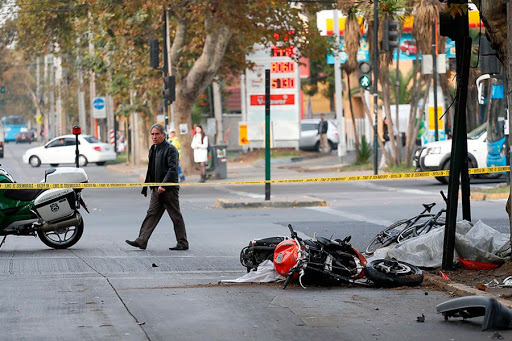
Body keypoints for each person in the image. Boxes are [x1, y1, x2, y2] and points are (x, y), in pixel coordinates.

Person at [126, 123, 189, 251]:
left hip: (168, 189)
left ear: (163, 135)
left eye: (157, 134)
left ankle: (182, 242)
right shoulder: (153, 149)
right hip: (156, 189)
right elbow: (151, 169)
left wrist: (163, 185)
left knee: (175, 215)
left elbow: (172, 169)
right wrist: (147, 186)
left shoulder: (170, 149)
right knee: (151, 214)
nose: (154, 137)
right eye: (152, 134)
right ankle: (141, 240)